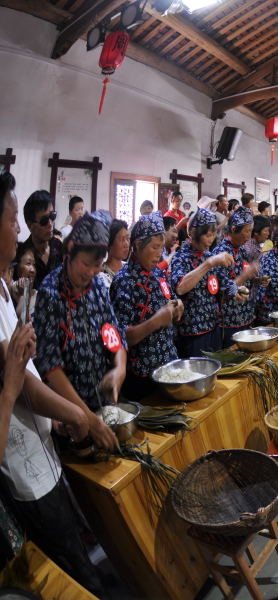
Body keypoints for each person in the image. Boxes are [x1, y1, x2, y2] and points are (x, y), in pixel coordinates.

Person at [0, 171, 103, 597]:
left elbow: (27, 372)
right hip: (25, 467)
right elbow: (21, 380)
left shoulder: (4, 287)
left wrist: (58, 418)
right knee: (71, 571)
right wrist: (80, 415)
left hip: (43, 442)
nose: (18, 230)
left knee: (76, 546)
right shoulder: (43, 289)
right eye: (12, 220)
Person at [33, 209, 129, 422]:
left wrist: (120, 368)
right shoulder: (50, 293)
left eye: (97, 266)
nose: (90, 272)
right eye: (86, 264)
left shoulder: (97, 287)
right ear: (70, 250)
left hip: (103, 407)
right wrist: (86, 419)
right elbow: (51, 364)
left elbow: (114, 332)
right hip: (67, 414)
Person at [110, 212, 184, 400]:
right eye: (154, 247)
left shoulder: (158, 273)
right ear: (137, 245)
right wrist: (156, 321)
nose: (159, 253)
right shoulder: (124, 281)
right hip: (142, 376)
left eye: (161, 247)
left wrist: (178, 305)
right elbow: (122, 337)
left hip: (168, 363)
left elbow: (172, 298)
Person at [170, 208, 238, 357]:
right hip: (192, 332)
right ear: (194, 232)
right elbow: (180, 287)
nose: (211, 240)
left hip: (213, 326)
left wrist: (236, 291)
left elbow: (224, 282)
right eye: (207, 235)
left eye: (213, 235)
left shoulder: (208, 255)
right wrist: (209, 263)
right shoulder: (181, 257)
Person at [212, 207, 260, 345]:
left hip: (246, 315)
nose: (249, 236)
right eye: (247, 231)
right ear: (233, 229)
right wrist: (246, 274)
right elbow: (223, 288)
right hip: (230, 321)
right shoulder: (220, 253)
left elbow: (246, 282)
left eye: (251, 231)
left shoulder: (242, 250)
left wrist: (256, 280)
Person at [20, 191, 63, 290]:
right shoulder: (23, 254)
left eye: (52, 217)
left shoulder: (58, 246)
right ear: (30, 225)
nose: (50, 224)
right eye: (44, 221)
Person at [98, 218, 129, 288]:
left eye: (127, 238)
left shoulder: (130, 268)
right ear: (109, 244)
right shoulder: (101, 275)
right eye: (122, 240)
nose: (127, 244)